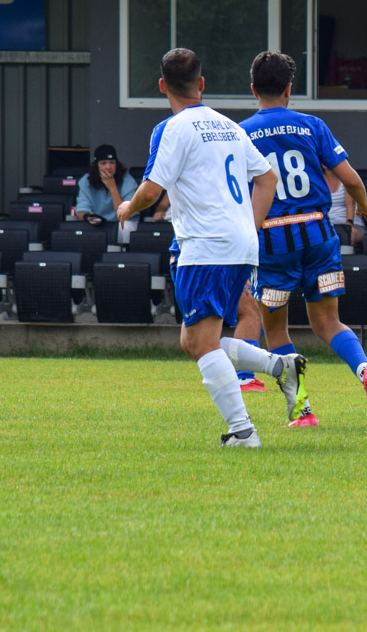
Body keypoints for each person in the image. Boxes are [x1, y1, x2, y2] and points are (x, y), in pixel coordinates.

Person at [114, 47, 305, 448]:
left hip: (206, 246)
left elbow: (150, 191)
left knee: (201, 343)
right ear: (201, 84)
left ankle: (243, 431)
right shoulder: (230, 127)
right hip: (238, 245)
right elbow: (268, 179)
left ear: (162, 86)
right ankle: (280, 366)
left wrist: (126, 207)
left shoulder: (172, 128)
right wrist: (249, 228)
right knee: (195, 340)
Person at [230, 50, 367, 427]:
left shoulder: (241, 133)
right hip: (318, 234)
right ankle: (365, 370)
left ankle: (303, 410)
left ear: (253, 89)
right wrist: (366, 208)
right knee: (329, 323)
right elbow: (351, 180)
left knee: (276, 329)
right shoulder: (312, 126)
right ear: (289, 89)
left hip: (274, 241)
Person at [73, 144, 152, 236]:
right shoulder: (86, 181)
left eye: (112, 162)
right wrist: (88, 217)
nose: (108, 167)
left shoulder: (128, 181)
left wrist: (112, 187)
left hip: (122, 223)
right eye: (103, 163)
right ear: (96, 166)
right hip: (97, 224)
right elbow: (81, 211)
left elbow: (125, 215)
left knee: (125, 228)